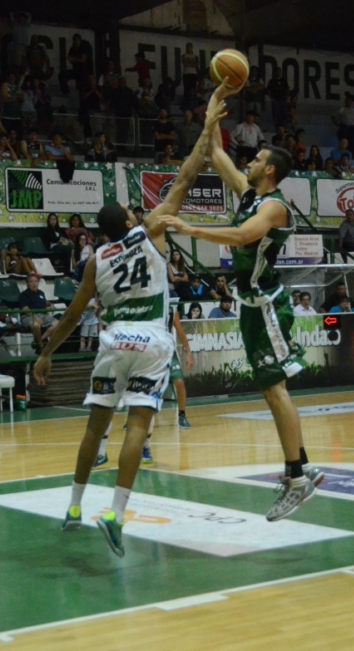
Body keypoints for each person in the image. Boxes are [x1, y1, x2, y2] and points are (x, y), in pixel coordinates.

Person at [34, 89, 226, 557]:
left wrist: (45, 353)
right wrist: (207, 128)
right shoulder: (153, 230)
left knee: (93, 430)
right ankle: (116, 514)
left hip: (115, 340)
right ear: (128, 218)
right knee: (137, 427)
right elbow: (185, 175)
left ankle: (75, 506)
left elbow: (74, 314)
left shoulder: (96, 259)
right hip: (153, 341)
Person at [158, 84, 325, 522]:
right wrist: (210, 115)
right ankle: (302, 466)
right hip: (252, 305)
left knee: (274, 389)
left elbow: (241, 237)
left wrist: (189, 229)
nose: (248, 162)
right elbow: (216, 155)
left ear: (269, 171)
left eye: (256, 160)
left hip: (268, 304)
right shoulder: (250, 193)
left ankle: (296, 478)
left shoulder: (274, 207)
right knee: (271, 390)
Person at [18, 274, 55, 348]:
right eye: (31, 281)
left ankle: (38, 340)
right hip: (28, 316)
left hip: (43, 315)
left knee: (58, 324)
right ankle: (41, 345)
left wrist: (50, 304)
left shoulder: (41, 293)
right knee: (36, 325)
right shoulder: (23, 295)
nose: (34, 283)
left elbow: (43, 302)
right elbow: (25, 309)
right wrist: (36, 318)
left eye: (36, 281)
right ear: (27, 283)